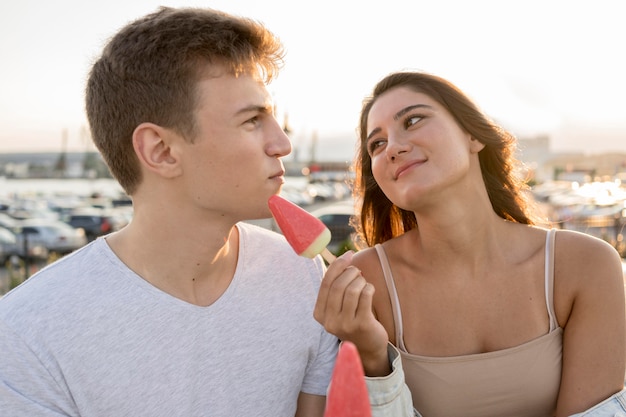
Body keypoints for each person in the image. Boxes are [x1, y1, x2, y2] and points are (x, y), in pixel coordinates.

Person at [0, 7, 342, 416]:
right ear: (161, 151)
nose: (282, 144)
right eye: (252, 120)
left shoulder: (303, 276)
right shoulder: (27, 333)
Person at [315, 71, 626, 417]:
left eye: (413, 120)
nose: (394, 148)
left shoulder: (585, 265)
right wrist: (373, 357)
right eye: (377, 143)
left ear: (473, 135)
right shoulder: (366, 283)